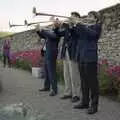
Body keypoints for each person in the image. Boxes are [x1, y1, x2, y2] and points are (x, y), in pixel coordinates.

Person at [73, 11, 102, 114]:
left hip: (90, 58)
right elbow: (76, 34)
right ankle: (84, 102)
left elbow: (92, 35)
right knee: (84, 82)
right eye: (88, 15)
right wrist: (74, 23)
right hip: (81, 57)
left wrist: (80, 23)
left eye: (91, 16)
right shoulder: (84, 26)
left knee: (93, 83)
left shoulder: (97, 26)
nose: (88, 17)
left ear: (96, 18)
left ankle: (94, 106)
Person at [60, 12, 81, 103]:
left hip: (73, 53)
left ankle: (76, 94)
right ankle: (68, 92)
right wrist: (57, 26)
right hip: (66, 52)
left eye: (72, 16)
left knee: (74, 75)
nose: (70, 17)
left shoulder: (79, 27)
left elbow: (75, 34)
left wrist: (70, 25)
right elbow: (59, 33)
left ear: (77, 18)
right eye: (70, 16)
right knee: (66, 74)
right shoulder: (68, 28)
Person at [36, 19, 61, 96]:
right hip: (46, 53)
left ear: (56, 26)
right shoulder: (49, 32)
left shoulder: (56, 33)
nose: (51, 26)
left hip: (51, 54)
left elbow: (52, 36)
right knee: (46, 71)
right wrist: (38, 30)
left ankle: (54, 89)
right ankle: (46, 87)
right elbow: (42, 35)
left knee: (51, 72)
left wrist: (42, 29)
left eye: (53, 25)